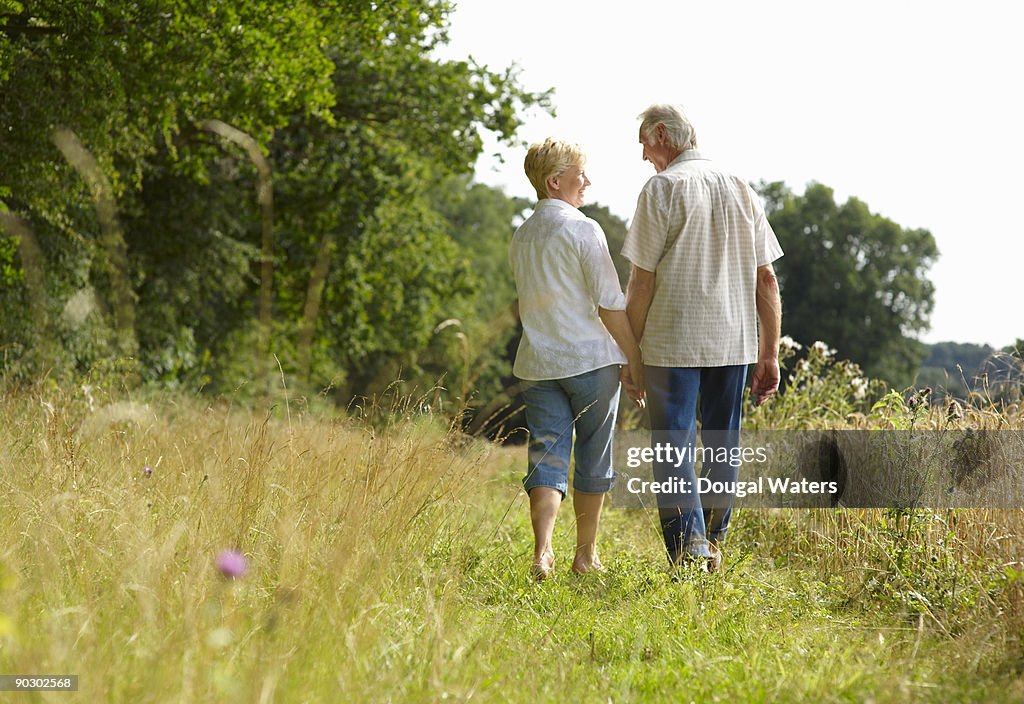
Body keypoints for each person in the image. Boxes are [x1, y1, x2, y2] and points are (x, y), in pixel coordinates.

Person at [621, 104, 784, 572]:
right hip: (732, 342)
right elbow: (767, 280)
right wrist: (769, 353)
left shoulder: (662, 188)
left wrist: (629, 352)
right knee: (721, 443)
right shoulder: (740, 187)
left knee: (671, 443)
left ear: (660, 134)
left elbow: (642, 283)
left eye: (643, 145)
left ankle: (691, 549)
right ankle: (713, 543)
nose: (644, 157)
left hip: (672, 342)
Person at [511, 137, 645, 580]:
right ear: (555, 182)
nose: (586, 181)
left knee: (546, 458)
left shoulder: (522, 235)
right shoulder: (583, 228)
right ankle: (585, 556)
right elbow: (610, 303)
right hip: (590, 363)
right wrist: (635, 360)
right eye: (579, 174)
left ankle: (541, 551)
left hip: (539, 363)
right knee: (594, 458)